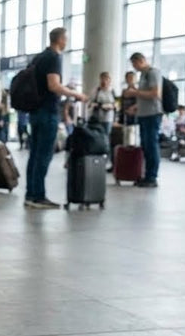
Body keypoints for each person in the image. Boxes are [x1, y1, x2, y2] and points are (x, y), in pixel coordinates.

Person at [24, 27, 87, 209]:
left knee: (34, 154)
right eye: (66, 39)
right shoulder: (53, 57)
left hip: (35, 112)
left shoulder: (39, 57)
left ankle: (30, 194)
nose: (67, 42)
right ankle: (38, 196)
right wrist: (76, 94)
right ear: (60, 40)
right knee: (44, 155)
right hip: (47, 112)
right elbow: (53, 85)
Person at [123, 53, 163, 188]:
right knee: (145, 144)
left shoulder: (153, 73)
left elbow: (155, 93)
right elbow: (144, 96)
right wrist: (136, 107)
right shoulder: (143, 75)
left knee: (151, 144)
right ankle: (147, 174)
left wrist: (134, 93)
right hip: (143, 114)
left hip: (152, 114)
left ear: (140, 61)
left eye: (134, 64)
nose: (134, 67)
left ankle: (152, 176)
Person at [90, 71, 116, 137]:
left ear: (109, 80)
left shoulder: (112, 90)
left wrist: (110, 106)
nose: (104, 81)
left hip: (108, 117)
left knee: (106, 135)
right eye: (102, 79)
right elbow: (91, 102)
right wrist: (99, 105)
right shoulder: (97, 90)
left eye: (106, 79)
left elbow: (116, 104)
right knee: (97, 135)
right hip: (97, 117)